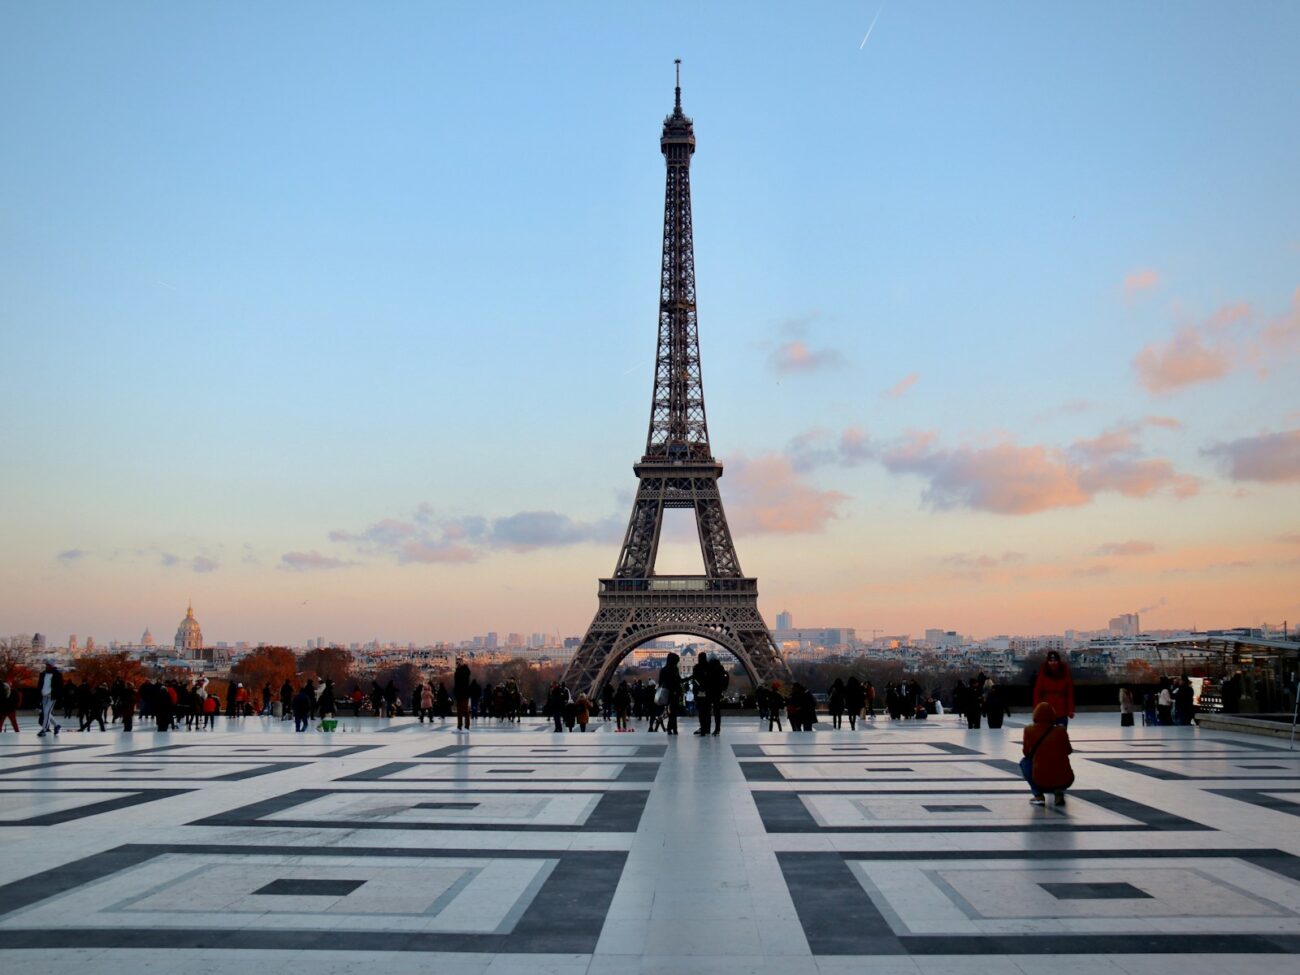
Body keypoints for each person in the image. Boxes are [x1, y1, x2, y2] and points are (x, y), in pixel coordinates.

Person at [1022, 701, 1074, 806]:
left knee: (1024, 762)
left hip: (1040, 779)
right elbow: (1068, 750)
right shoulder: (1061, 730)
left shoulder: (1029, 730)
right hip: (1065, 780)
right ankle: (1058, 791)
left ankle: (1038, 795)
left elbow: (1026, 753)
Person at [1032, 650, 1075, 726]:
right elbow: (1037, 692)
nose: (1053, 663)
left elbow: (1069, 692)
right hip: (1047, 711)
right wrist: (1037, 710)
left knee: (1061, 732)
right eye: (1051, 661)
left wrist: (1071, 709)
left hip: (1061, 710)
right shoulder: (1043, 671)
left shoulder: (1065, 671)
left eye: (1055, 660)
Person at [36, 661, 63, 737]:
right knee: (46, 713)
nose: (46, 666)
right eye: (46, 665)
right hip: (44, 696)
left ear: (52, 666)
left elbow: (60, 687)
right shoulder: (43, 674)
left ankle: (44, 730)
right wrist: (39, 696)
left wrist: (58, 697)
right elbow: (40, 685)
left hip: (51, 697)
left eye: (48, 665)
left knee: (46, 712)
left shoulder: (57, 674)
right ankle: (56, 725)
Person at [658, 652, 681, 735]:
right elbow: (679, 681)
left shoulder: (663, 670)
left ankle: (671, 728)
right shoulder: (675, 670)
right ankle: (672, 728)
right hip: (674, 692)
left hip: (666, 693)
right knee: (673, 712)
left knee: (671, 712)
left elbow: (660, 683)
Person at [693, 651, 713, 736]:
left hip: (699, 692)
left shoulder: (696, 667)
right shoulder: (710, 667)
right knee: (707, 712)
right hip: (708, 692)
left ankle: (703, 729)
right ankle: (707, 728)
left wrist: (698, 689)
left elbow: (695, 680)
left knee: (701, 712)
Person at [453, 657, 472, 731]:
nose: (457, 663)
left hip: (464, 693)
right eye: (456, 662)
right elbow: (456, 684)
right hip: (459, 693)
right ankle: (459, 726)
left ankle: (466, 726)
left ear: (462, 662)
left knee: (465, 710)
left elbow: (463, 679)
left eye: (458, 662)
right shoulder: (458, 670)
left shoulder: (465, 670)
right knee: (459, 711)